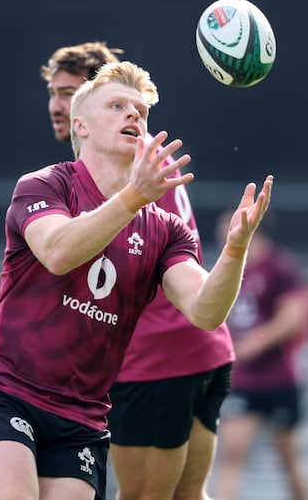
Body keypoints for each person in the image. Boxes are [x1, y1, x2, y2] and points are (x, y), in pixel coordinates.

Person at [0, 60, 273, 500]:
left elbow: (205, 311)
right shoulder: (43, 186)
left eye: (140, 112)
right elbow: (58, 252)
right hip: (5, 390)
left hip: (81, 417)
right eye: (117, 105)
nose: (133, 115)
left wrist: (236, 251)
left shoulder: (165, 228)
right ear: (80, 125)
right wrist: (132, 198)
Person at [41, 43, 236, 500]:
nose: (56, 105)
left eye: (70, 92)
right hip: (199, 346)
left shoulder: (125, 163)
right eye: (52, 93)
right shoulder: (137, 156)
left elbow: (75, 258)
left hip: (153, 355)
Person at [213, 213, 308, 500]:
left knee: (289, 458)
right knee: (231, 454)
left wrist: (256, 344)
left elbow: (295, 315)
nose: (222, 233)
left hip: (280, 377)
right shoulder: (229, 266)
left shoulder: (279, 266)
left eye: (227, 226)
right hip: (244, 379)